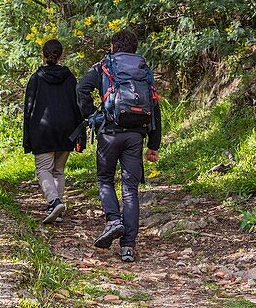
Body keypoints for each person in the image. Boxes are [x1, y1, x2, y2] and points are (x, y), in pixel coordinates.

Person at [77, 29, 161, 262]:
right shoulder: (143, 69)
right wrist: (154, 144)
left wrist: (92, 115)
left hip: (109, 133)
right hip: (136, 135)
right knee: (130, 189)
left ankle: (113, 220)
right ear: (134, 48)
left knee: (105, 178)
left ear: (113, 46)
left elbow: (81, 88)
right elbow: (154, 106)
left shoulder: (103, 66)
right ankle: (128, 247)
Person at [23, 38, 84, 225]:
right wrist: (79, 132)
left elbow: (29, 108)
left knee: (43, 169)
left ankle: (54, 201)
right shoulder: (70, 77)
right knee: (58, 170)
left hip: (43, 129)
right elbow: (78, 105)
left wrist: (27, 138)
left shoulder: (36, 78)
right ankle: (56, 208)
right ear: (61, 55)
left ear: (43, 55)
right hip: (67, 129)